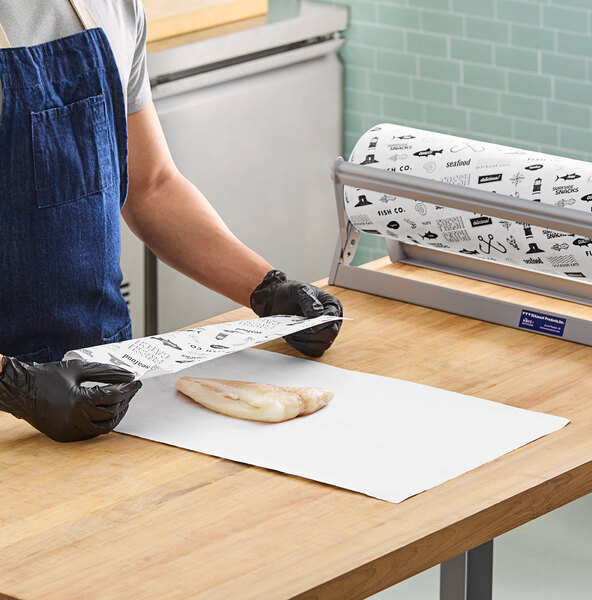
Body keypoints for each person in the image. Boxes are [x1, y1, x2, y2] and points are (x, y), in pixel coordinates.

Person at [0, 0, 342, 443]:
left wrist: (267, 289)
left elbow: (152, 186)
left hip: (104, 388)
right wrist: (15, 384)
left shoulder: (114, 7)